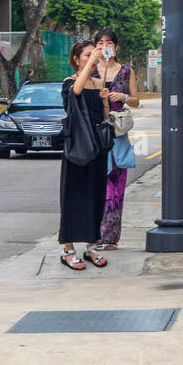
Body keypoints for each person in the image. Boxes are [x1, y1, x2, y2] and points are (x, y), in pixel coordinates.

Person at [59, 41, 109, 270]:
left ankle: (91, 246)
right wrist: (90, 64)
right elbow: (76, 92)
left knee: (95, 196)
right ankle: (68, 250)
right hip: (77, 147)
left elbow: (104, 118)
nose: (93, 58)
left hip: (97, 147)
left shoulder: (99, 83)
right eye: (87, 55)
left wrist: (105, 100)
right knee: (73, 197)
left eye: (94, 55)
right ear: (77, 58)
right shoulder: (70, 82)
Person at [90, 27, 139, 250]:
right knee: (96, 187)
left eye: (109, 43)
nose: (105, 46)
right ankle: (94, 234)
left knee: (115, 189)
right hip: (95, 135)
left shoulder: (126, 71)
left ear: (116, 47)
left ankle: (110, 238)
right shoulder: (90, 71)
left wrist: (125, 96)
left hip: (117, 135)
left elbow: (137, 101)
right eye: (100, 43)